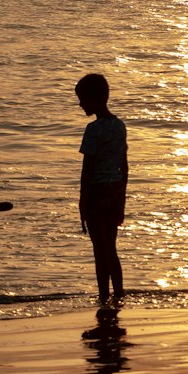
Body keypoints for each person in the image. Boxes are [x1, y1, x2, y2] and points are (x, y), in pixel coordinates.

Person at [75, 72, 128, 307]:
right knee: (111, 248)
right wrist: (122, 199)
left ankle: (104, 296)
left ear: (96, 98)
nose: (80, 104)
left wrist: (82, 203)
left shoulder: (93, 129)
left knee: (99, 250)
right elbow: (124, 165)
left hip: (96, 194)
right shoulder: (119, 126)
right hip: (114, 191)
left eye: (83, 99)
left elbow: (87, 170)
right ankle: (118, 293)